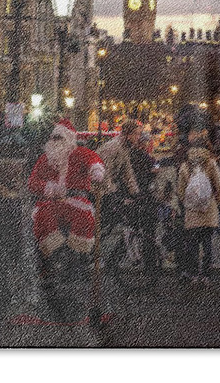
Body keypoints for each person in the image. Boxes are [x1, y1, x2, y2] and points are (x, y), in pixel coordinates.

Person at [28, 118, 105, 320]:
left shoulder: (80, 154)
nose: (56, 141)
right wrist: (49, 188)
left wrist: (96, 172)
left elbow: (94, 161)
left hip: (75, 198)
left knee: (83, 215)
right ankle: (49, 254)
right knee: (43, 217)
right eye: (54, 138)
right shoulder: (45, 159)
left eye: (60, 137)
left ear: (70, 139)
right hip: (51, 202)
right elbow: (33, 182)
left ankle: (79, 252)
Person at [177, 128, 220, 284]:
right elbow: (219, 186)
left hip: (192, 212)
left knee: (193, 245)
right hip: (208, 209)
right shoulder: (210, 163)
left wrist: (187, 204)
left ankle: (194, 274)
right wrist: (215, 201)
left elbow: (180, 190)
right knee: (207, 243)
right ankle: (207, 275)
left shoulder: (186, 166)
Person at [97, 118, 141, 229]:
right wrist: (111, 193)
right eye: (136, 134)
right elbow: (104, 172)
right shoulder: (113, 147)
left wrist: (135, 192)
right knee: (104, 222)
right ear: (127, 134)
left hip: (108, 187)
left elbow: (127, 173)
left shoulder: (124, 148)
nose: (138, 138)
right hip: (97, 188)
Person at [130, 128, 160, 282]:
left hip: (134, 198)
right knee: (149, 233)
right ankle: (150, 268)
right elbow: (155, 170)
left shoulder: (131, 156)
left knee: (133, 230)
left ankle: (135, 257)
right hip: (146, 199)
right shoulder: (145, 157)